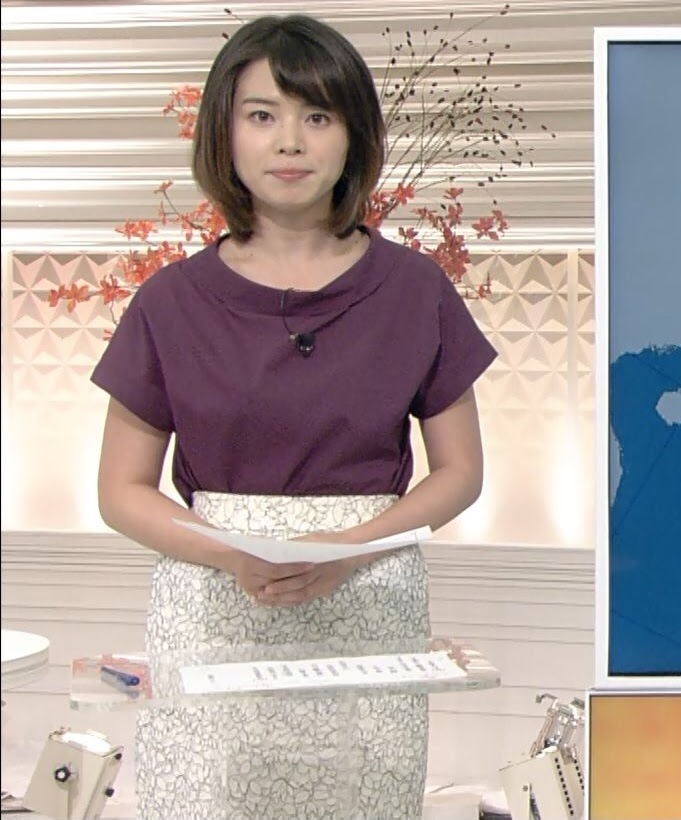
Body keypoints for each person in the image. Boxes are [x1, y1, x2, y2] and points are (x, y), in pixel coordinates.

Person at [91, 13, 496, 820]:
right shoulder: (169, 301)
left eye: (317, 116)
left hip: (369, 589)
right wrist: (232, 553)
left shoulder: (416, 291)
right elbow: (120, 490)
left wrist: (350, 550)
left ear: (354, 136)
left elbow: (460, 472)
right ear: (224, 132)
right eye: (261, 115)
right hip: (213, 594)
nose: (289, 142)